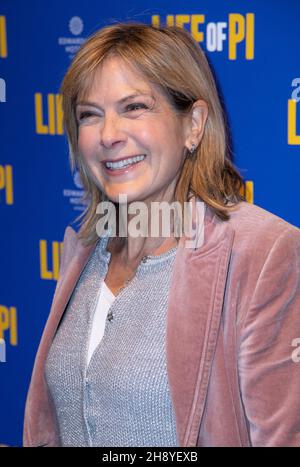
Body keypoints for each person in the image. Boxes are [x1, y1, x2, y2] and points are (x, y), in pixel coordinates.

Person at [23, 22, 300, 447]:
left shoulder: (261, 254)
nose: (110, 135)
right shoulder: (84, 253)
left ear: (193, 125)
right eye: (90, 115)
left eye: (134, 107)